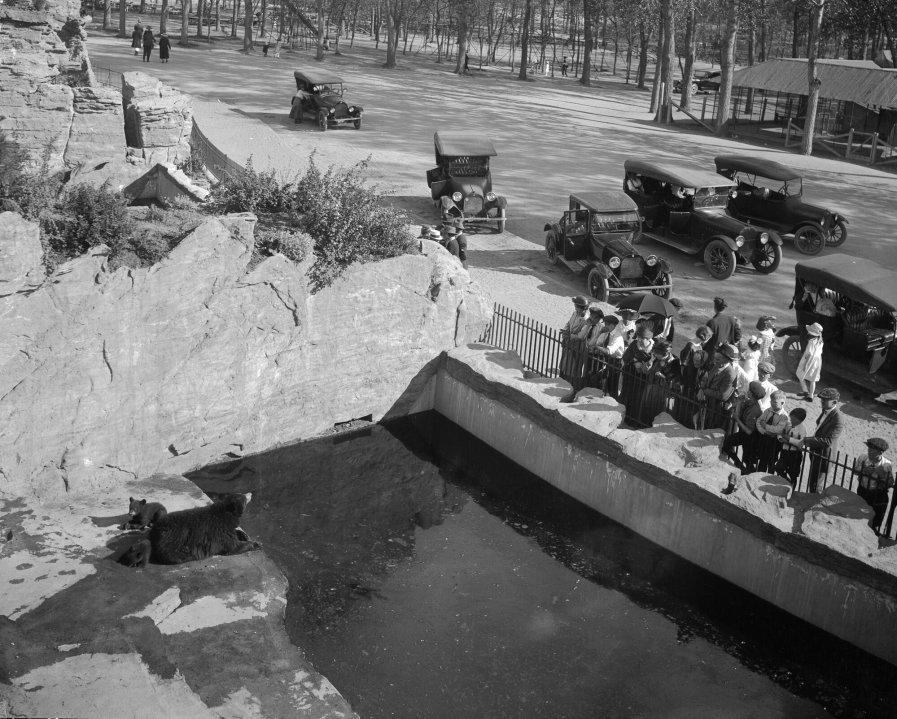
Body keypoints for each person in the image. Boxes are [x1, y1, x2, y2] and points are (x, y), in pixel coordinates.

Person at [802, 387, 844, 492]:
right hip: (816, 451)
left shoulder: (838, 419)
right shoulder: (825, 410)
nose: (822, 402)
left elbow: (828, 441)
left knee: (816, 485)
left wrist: (806, 440)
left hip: (824, 455)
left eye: (825, 400)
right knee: (812, 481)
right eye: (822, 400)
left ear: (834, 402)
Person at [720, 381, 766, 473]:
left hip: (751, 439)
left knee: (748, 461)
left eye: (749, 390)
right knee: (727, 443)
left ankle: (745, 471)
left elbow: (749, 431)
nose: (747, 391)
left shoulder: (755, 410)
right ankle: (740, 466)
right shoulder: (748, 402)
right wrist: (738, 402)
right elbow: (737, 410)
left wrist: (737, 419)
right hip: (744, 435)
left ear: (752, 394)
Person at [853, 438, 894, 535]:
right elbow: (854, 471)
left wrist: (881, 475)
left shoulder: (886, 464)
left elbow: (890, 482)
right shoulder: (863, 458)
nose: (869, 450)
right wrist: (864, 470)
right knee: (859, 516)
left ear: (880, 452)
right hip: (863, 491)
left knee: (875, 521)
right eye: (869, 448)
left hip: (878, 495)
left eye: (872, 449)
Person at [700, 343, 740, 430]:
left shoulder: (730, 374)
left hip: (717, 408)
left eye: (719, 358)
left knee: (712, 428)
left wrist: (705, 391)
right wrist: (702, 387)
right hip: (708, 403)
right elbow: (708, 378)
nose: (715, 360)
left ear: (727, 360)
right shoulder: (717, 365)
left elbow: (723, 396)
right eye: (716, 357)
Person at [641, 339, 681, 427]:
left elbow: (675, 381)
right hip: (651, 390)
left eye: (657, 354)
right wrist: (650, 362)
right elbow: (644, 371)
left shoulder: (675, 361)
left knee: (660, 415)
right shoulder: (655, 358)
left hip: (664, 394)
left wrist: (663, 376)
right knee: (647, 411)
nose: (655, 355)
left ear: (665, 354)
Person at [620, 326, 655, 427]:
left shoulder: (654, 349)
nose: (639, 339)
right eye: (638, 337)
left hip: (645, 380)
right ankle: (625, 418)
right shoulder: (634, 345)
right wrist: (634, 361)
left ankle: (638, 422)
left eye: (642, 338)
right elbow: (625, 357)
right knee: (629, 397)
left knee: (641, 400)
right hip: (631, 376)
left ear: (648, 339)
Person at [677, 326, 711, 428]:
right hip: (689, 379)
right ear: (704, 337)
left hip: (696, 378)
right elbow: (683, 364)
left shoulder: (699, 345)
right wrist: (683, 381)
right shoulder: (691, 346)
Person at [755, 390, 789, 473]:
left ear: (782, 403)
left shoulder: (784, 416)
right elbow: (759, 421)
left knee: (771, 462)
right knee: (762, 460)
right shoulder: (768, 410)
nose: (772, 404)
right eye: (771, 402)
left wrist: (766, 426)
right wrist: (764, 431)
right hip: (764, 438)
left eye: (775, 402)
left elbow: (778, 429)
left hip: (774, 442)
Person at [775, 407, 808, 487]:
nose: (791, 420)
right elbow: (781, 433)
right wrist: (780, 438)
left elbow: (800, 443)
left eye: (793, 419)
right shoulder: (788, 425)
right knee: (779, 468)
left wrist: (787, 439)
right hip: (785, 452)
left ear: (799, 420)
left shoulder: (802, 429)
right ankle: (787, 481)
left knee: (793, 473)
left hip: (795, 454)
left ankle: (792, 487)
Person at [560, 296, 589, 382]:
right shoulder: (575, 313)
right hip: (569, 340)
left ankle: (571, 382)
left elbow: (581, 335)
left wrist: (570, 335)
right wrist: (565, 330)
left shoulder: (586, 319)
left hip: (578, 344)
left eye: (577, 306)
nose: (575, 308)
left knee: (573, 364)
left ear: (582, 308)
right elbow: (569, 323)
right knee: (565, 361)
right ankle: (562, 377)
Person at [705, 297, 742, 365]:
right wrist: (730, 343)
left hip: (714, 355)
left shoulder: (712, 322)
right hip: (727, 353)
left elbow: (705, 339)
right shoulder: (731, 319)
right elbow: (738, 335)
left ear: (715, 307)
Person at [796, 322, 824, 401]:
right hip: (817, 361)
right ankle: (811, 395)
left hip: (808, 360)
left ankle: (805, 391)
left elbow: (810, 354)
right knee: (813, 379)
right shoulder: (820, 341)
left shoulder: (811, 342)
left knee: (799, 374)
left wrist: (805, 364)